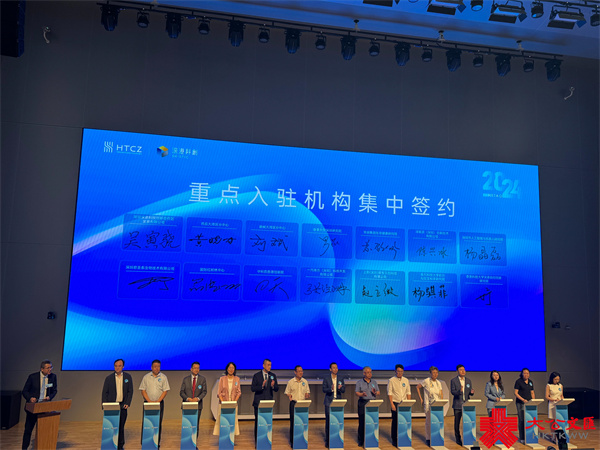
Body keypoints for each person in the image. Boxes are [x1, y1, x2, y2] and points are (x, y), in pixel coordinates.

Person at [22, 360, 57, 450]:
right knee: (28, 430)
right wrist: (30, 398)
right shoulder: (32, 377)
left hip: (44, 408)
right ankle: (24, 448)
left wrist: (49, 397)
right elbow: (25, 391)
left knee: (43, 431)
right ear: (42, 369)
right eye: (48, 368)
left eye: (51, 367)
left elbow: (54, 390)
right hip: (33, 407)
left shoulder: (53, 377)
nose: (50, 369)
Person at [102, 359, 133, 450]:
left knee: (121, 426)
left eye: (119, 366)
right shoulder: (109, 378)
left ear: (123, 366)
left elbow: (130, 391)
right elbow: (104, 393)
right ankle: (110, 445)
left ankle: (120, 445)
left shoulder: (127, 377)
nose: (117, 368)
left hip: (123, 405)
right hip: (112, 405)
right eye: (116, 366)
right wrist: (105, 405)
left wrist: (127, 403)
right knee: (111, 426)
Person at [139, 359, 170, 447]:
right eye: (155, 366)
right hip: (147, 403)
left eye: (158, 366)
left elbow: (165, 391)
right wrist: (149, 401)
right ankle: (145, 442)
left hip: (159, 403)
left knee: (158, 423)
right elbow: (143, 390)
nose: (157, 368)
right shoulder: (146, 377)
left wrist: (158, 401)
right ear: (151, 367)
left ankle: (156, 442)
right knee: (146, 422)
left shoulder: (163, 377)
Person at [251, 359, 279, 445]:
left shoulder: (273, 376)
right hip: (258, 403)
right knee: (258, 422)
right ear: (263, 365)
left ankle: (266, 441)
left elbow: (277, 389)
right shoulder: (256, 375)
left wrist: (273, 386)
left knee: (267, 422)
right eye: (268, 365)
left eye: (270, 365)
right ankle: (258, 442)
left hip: (268, 403)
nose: (270, 367)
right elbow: (253, 388)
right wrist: (262, 386)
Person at [180, 361, 207, 441]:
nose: (196, 370)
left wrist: (197, 399)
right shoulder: (185, 379)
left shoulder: (202, 379)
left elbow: (204, 392)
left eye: (198, 368)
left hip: (197, 405)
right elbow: (181, 392)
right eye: (195, 368)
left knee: (195, 424)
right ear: (191, 369)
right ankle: (186, 442)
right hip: (187, 405)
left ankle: (194, 442)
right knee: (187, 424)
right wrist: (188, 399)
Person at [417, 366, 443, 447]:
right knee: (429, 422)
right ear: (430, 373)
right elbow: (418, 387)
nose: (435, 374)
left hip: (437, 405)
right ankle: (428, 438)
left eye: (436, 373)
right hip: (429, 404)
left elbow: (441, 393)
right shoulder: (426, 381)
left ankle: (436, 437)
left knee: (437, 421)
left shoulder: (438, 382)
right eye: (433, 373)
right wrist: (421, 399)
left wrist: (441, 402)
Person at [213, 362, 241, 436]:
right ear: (227, 369)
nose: (231, 369)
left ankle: (231, 436)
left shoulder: (237, 379)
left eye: (233, 368)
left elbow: (239, 392)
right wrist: (224, 403)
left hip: (233, 404)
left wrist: (234, 402)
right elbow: (219, 393)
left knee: (232, 421)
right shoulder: (222, 379)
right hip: (223, 404)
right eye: (230, 367)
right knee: (223, 421)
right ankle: (223, 436)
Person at [285, 365, 310, 446]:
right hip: (294, 403)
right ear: (295, 372)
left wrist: (307, 395)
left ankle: (302, 439)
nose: (301, 373)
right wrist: (289, 395)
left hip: (303, 404)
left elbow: (307, 392)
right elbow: (287, 392)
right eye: (299, 371)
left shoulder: (305, 381)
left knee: (303, 422)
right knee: (293, 422)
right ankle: (293, 441)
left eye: (301, 371)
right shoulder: (291, 382)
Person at [355, 366, 380, 447]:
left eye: (370, 372)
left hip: (372, 403)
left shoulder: (374, 382)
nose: (370, 374)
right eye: (368, 372)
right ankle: (361, 440)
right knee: (362, 422)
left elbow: (378, 392)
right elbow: (357, 393)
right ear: (364, 373)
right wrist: (362, 394)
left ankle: (371, 439)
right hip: (363, 402)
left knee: (372, 422)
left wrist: (375, 392)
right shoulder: (359, 382)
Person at [388, 364, 411, 447]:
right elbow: (390, 393)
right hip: (395, 403)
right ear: (395, 371)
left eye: (401, 371)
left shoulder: (406, 380)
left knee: (404, 421)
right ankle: (394, 439)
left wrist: (408, 403)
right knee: (395, 422)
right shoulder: (391, 380)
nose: (400, 373)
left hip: (404, 403)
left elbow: (408, 392)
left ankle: (403, 437)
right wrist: (392, 404)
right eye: (398, 371)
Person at [450, 364, 474, 447]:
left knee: (467, 422)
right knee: (457, 423)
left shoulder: (468, 380)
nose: (463, 371)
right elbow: (453, 392)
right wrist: (459, 391)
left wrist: (471, 393)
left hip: (467, 405)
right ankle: (458, 438)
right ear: (457, 371)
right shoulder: (453, 380)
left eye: (464, 369)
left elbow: (469, 393)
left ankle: (467, 437)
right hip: (457, 405)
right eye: (461, 370)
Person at [323, 362, 345, 447]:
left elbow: (343, 390)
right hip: (329, 402)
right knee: (329, 421)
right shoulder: (326, 378)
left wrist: (340, 388)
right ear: (330, 369)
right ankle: (328, 440)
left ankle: (337, 439)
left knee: (337, 421)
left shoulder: (340, 378)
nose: (336, 369)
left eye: (336, 367)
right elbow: (324, 390)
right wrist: (331, 389)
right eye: (334, 368)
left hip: (338, 402)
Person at [514, 368, 535, 444]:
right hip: (520, 403)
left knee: (529, 419)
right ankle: (522, 437)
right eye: (524, 373)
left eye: (527, 373)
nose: (526, 375)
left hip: (529, 403)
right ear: (522, 374)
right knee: (522, 420)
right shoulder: (518, 381)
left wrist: (533, 401)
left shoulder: (530, 382)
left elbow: (532, 392)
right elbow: (516, 393)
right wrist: (523, 400)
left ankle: (529, 436)